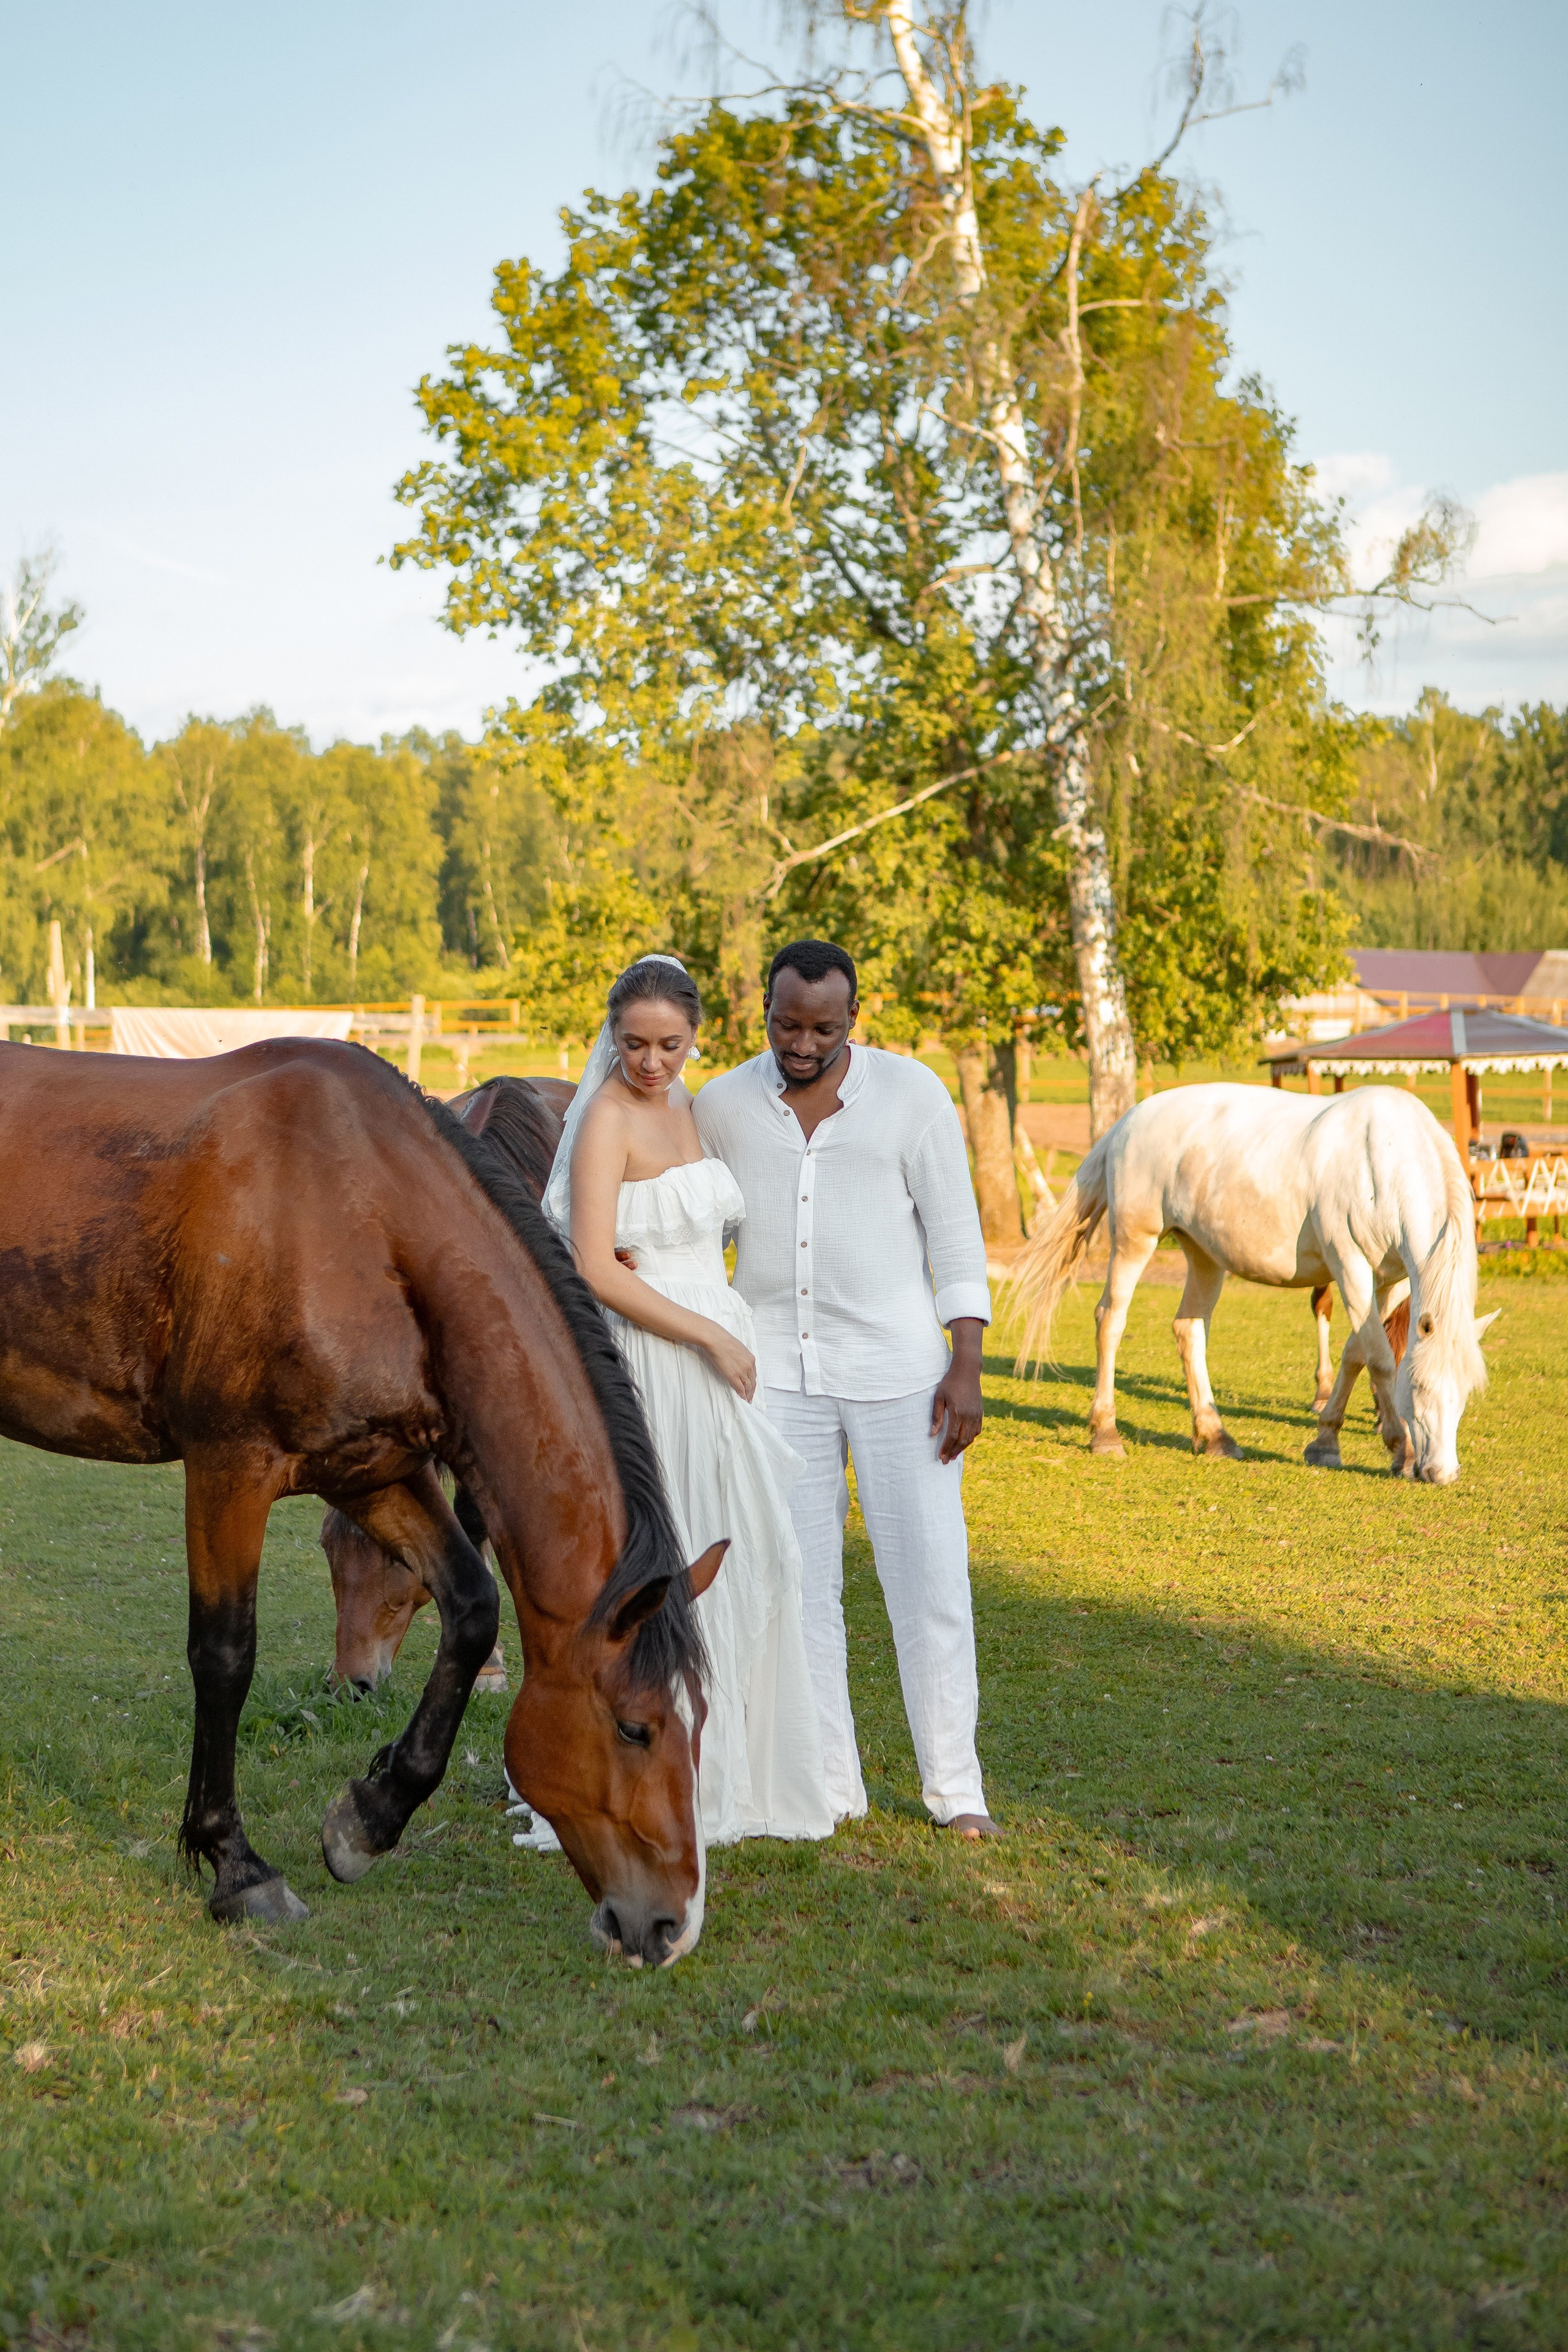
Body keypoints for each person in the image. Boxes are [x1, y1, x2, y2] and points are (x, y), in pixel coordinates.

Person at [522, 952, 834, 1850]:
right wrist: (704, 1334)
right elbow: (588, 1263)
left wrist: (724, 1327)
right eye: (633, 1044)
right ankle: (674, 1771)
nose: (650, 1062)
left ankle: (751, 1770)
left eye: (668, 1044)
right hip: (659, 1354)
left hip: (720, 1338)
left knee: (757, 1552)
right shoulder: (607, 1120)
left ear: (696, 1038)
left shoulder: (699, 1109)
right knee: (686, 1556)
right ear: (611, 1037)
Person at [693, 939, 1000, 1839]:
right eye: (787, 1023)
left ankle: (957, 1789)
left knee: (930, 1575)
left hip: (902, 1378)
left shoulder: (913, 1096)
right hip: (772, 1379)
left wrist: (967, 1362)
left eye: (823, 1027)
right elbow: (698, 1231)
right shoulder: (722, 1107)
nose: (802, 1041)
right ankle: (828, 1785)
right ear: (764, 1011)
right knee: (797, 1586)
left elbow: (955, 1235)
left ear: (853, 1019)